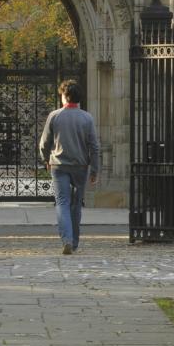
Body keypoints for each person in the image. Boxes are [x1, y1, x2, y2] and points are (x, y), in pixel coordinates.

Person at [39, 79, 100, 255]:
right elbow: (94, 146)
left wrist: (45, 159)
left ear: (65, 96)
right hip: (80, 166)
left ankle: (66, 239)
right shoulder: (87, 118)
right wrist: (94, 169)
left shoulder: (55, 116)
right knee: (76, 205)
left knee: (62, 203)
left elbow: (44, 143)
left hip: (59, 165)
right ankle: (73, 242)